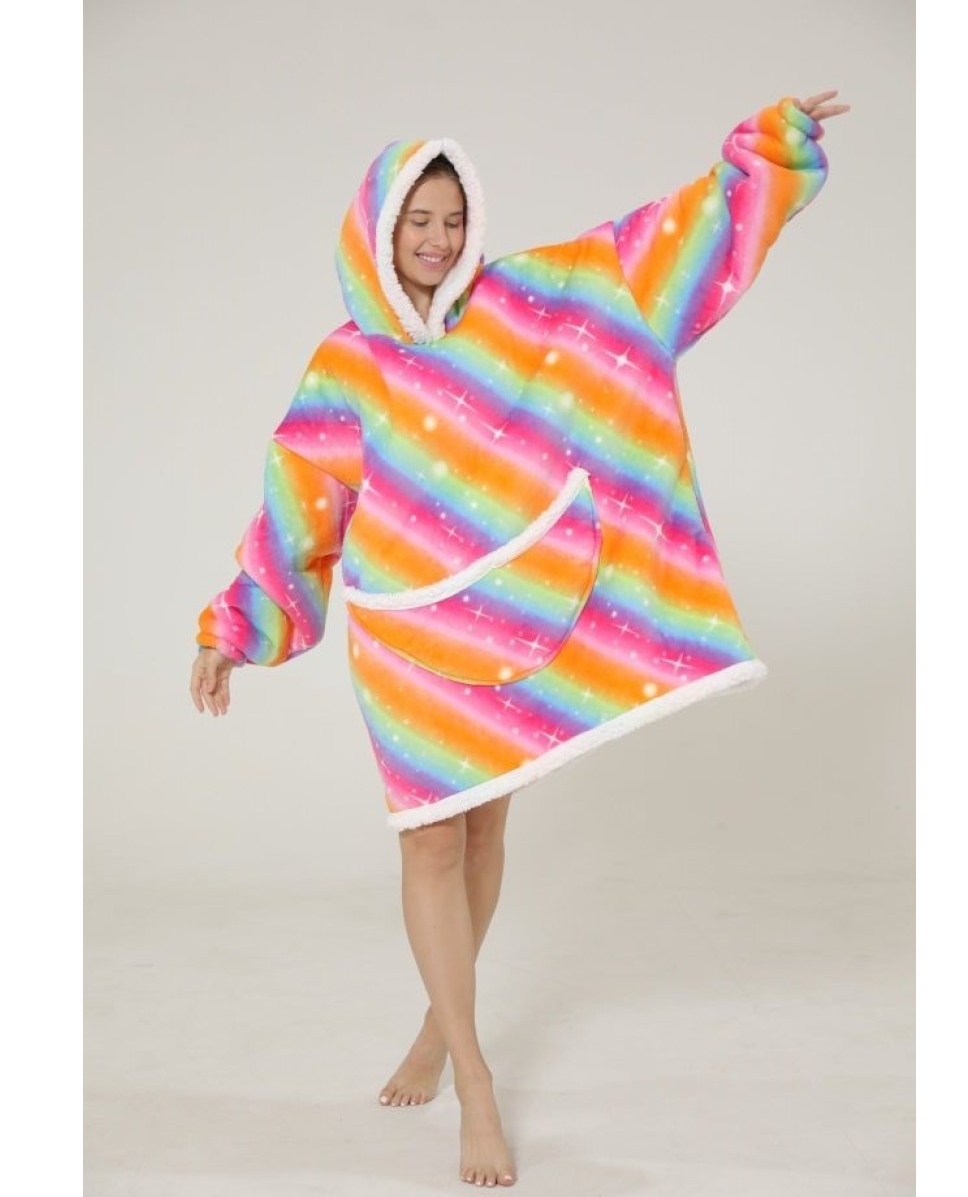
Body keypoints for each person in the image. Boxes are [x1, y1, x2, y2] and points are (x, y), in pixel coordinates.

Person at [190, 89, 850, 1187]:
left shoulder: (535, 299)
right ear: (378, 227)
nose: (438, 239)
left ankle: (436, 1024)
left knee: (484, 831)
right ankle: (475, 1075)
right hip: (407, 647)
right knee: (429, 843)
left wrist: (765, 154)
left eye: (453, 219)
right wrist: (234, 627)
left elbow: (652, 260)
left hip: (515, 619)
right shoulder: (345, 364)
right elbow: (297, 513)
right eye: (418, 220)